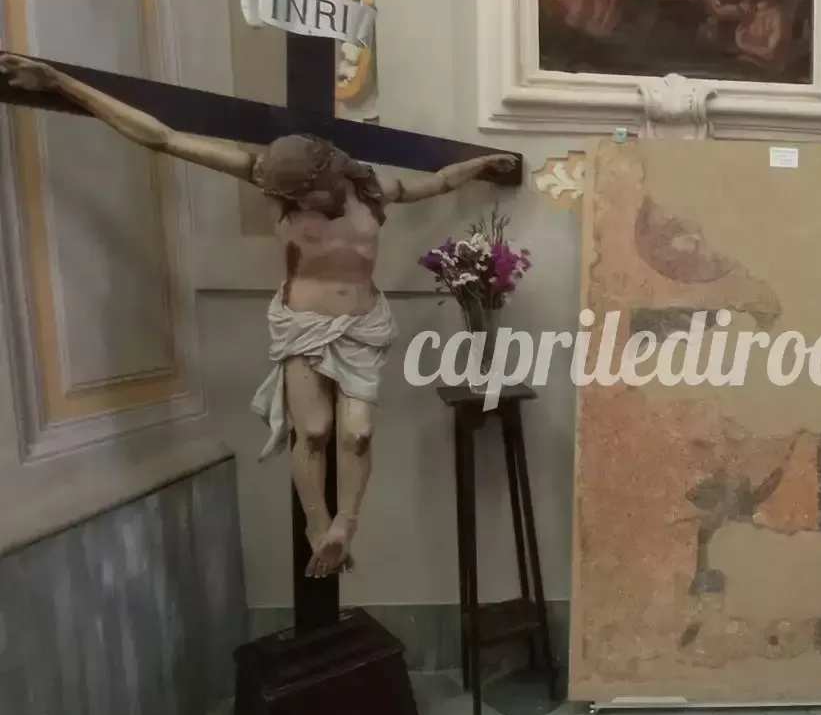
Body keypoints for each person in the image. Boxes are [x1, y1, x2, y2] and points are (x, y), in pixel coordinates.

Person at [0, 53, 518, 579]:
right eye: (293, 196)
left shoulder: (374, 190)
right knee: (312, 431)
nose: (301, 201)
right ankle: (317, 526)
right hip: (302, 325)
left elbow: (439, 183)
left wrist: (480, 165)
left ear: (330, 171)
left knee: (358, 433)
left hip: (363, 324)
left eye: (308, 192)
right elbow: (162, 137)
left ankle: (346, 524)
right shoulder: (272, 185)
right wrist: (60, 83)